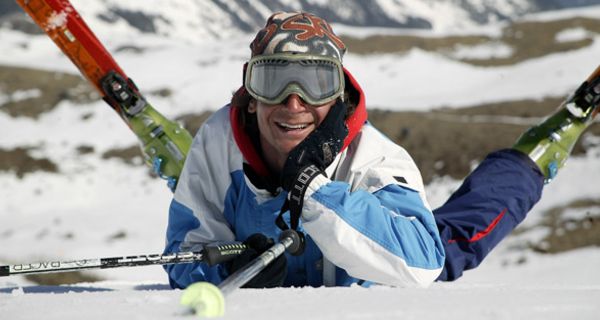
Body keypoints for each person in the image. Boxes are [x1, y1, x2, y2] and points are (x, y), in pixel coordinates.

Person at [163, 12, 599, 288]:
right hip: (233, 181)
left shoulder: (372, 158)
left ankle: (542, 148)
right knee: (198, 180)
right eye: (273, 81)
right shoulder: (219, 140)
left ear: (336, 96)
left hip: (380, 270)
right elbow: (183, 254)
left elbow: (423, 262)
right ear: (250, 91)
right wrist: (231, 268)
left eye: (315, 84)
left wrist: (315, 193)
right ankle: (168, 152)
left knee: (450, 247)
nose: (293, 103)